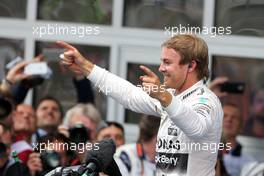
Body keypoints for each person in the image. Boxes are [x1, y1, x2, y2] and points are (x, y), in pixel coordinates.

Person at [57, 34, 223, 175]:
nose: (161, 68)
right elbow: (129, 95)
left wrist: (163, 97)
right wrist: (86, 66)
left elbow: (197, 128)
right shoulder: (172, 96)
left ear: (191, 65)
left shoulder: (206, 100)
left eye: (167, 62)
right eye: (161, 62)